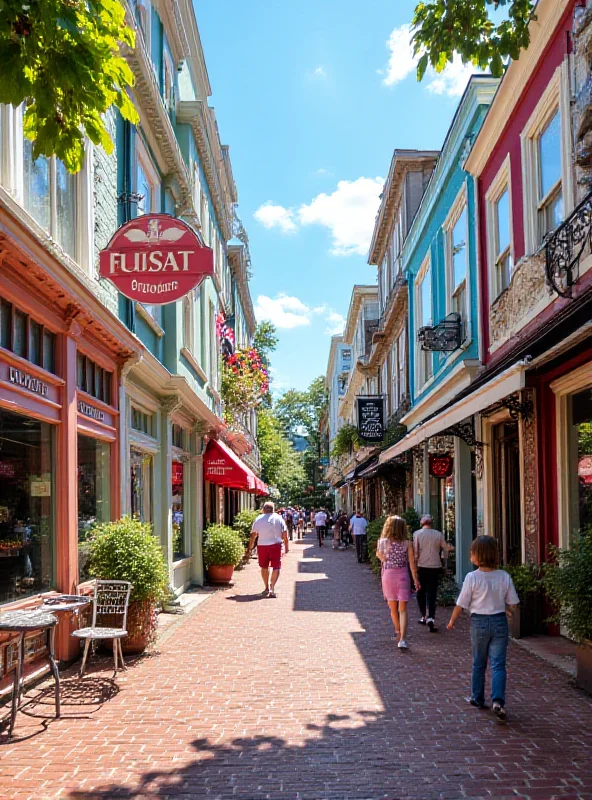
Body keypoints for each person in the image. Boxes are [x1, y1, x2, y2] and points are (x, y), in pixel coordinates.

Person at [447, 536, 519, 721]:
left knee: (479, 662)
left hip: (478, 623)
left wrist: (452, 621)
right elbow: (513, 603)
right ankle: (498, 701)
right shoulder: (504, 576)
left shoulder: (472, 577)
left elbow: (461, 603)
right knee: (498, 664)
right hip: (499, 622)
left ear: (477, 556)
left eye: (472, 553)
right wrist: (508, 611)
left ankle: (477, 697)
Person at [376, 516, 421, 650]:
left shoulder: (383, 542)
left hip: (388, 575)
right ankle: (402, 639)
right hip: (402, 576)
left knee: (392, 607)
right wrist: (416, 580)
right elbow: (412, 564)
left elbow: (382, 558)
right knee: (402, 609)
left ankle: (397, 630)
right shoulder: (407, 543)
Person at [413, 514, 454, 632]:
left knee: (421, 591)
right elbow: (445, 548)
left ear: (422, 523)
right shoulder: (438, 534)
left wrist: (414, 567)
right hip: (435, 566)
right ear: (431, 523)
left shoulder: (417, 534)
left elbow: (416, 553)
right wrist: (450, 551)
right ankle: (431, 617)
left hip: (422, 565)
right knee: (432, 592)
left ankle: (424, 616)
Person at [246, 501, 290, 598]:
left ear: (263, 509)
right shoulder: (279, 518)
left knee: (264, 567)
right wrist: (287, 547)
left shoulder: (258, 519)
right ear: (273, 509)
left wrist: (250, 547)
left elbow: (253, 535)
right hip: (276, 545)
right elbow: (284, 534)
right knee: (276, 567)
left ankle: (266, 587)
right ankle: (272, 587)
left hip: (262, 546)